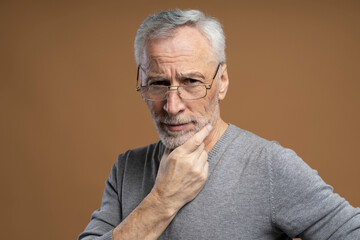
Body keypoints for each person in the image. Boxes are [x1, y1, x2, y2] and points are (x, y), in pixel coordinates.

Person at [78, 9, 360, 240]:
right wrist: (162, 200)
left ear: (221, 81)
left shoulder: (269, 166)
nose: (172, 106)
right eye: (158, 83)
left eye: (191, 82)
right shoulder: (127, 168)